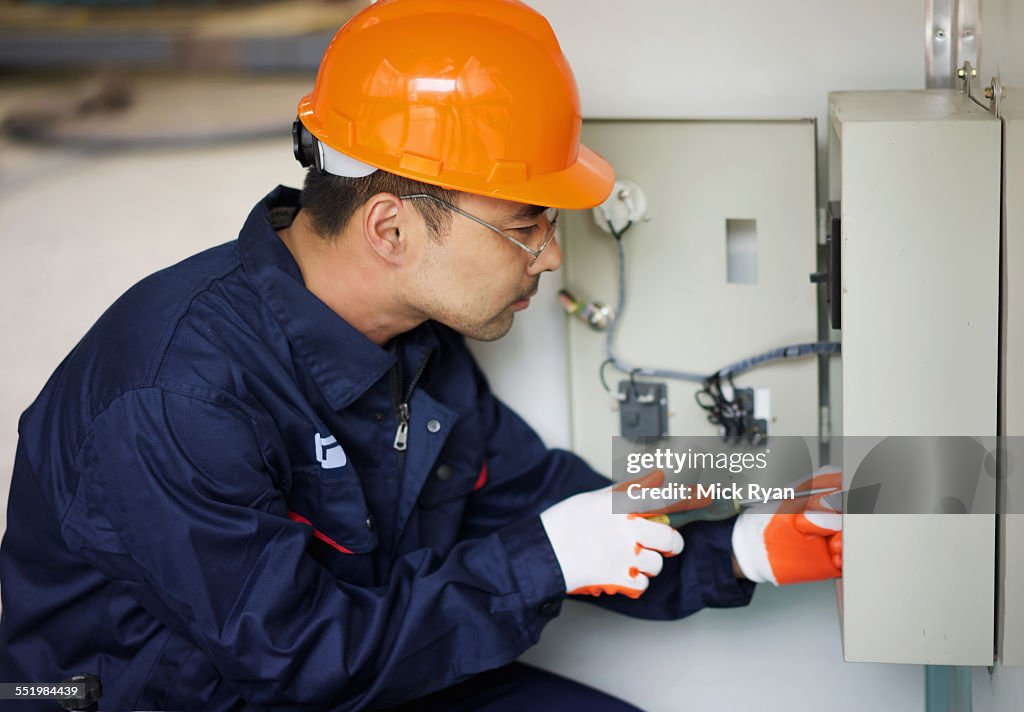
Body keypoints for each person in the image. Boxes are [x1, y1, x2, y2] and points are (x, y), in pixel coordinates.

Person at [0, 1, 842, 709]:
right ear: (391, 228)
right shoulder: (178, 397)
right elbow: (295, 659)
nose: (549, 258)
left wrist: (736, 551)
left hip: (365, 665)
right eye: (525, 226)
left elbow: (536, 503)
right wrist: (544, 558)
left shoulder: (415, 342)